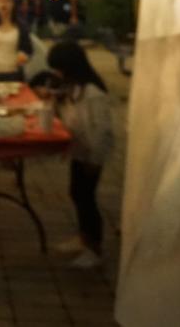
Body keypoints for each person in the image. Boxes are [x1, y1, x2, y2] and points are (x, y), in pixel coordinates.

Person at [45, 41, 113, 269]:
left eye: (59, 68)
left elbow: (102, 130)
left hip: (91, 154)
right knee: (76, 193)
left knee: (87, 198)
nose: (57, 73)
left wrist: (95, 159)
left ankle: (95, 247)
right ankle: (84, 238)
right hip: (79, 151)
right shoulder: (72, 89)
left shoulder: (93, 93)